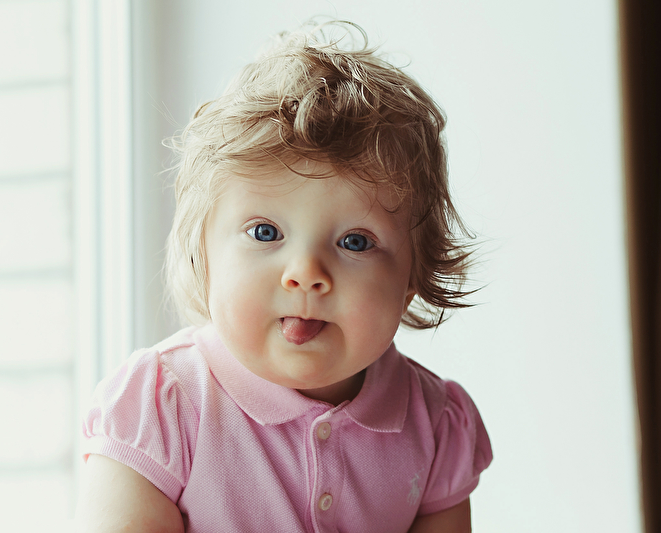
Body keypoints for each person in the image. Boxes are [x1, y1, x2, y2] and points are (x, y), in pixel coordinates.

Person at [75, 21, 492, 533]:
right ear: (204, 252)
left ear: (412, 276)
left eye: (355, 242)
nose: (306, 274)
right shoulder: (164, 406)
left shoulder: (434, 426)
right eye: (265, 232)